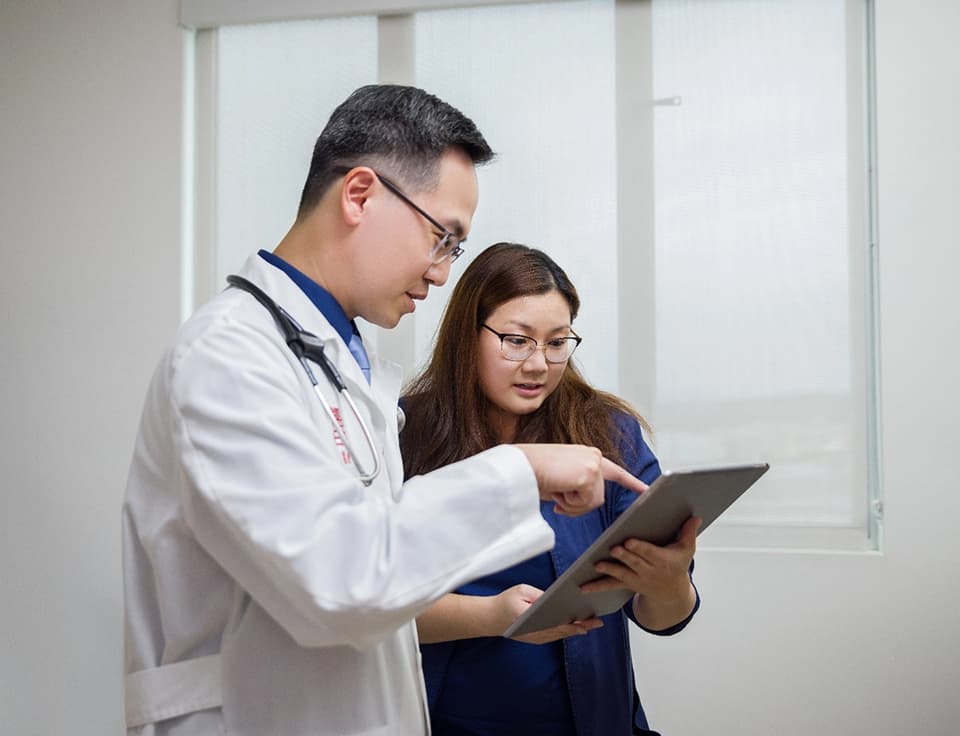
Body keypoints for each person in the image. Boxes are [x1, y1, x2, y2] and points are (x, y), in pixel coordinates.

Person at [122, 85, 648, 736]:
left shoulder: (339, 365)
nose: (441, 271)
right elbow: (341, 578)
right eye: (442, 237)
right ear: (361, 194)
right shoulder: (228, 359)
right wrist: (518, 470)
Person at [400, 242, 701, 736]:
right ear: (466, 335)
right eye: (517, 341)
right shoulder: (406, 434)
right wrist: (491, 616)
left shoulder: (607, 431)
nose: (539, 364)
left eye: (557, 342)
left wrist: (668, 582)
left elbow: (665, 617)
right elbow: (368, 607)